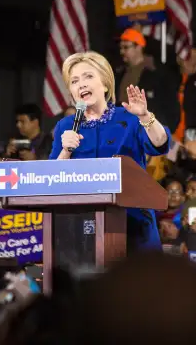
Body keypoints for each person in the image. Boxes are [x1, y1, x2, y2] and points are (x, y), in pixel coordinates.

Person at [49, 51, 171, 251]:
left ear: (105, 84)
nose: (81, 84)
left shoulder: (129, 118)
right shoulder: (66, 126)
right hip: (82, 231)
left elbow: (159, 144)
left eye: (88, 76)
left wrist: (145, 116)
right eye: (74, 81)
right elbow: (51, 181)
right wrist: (65, 151)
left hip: (133, 227)